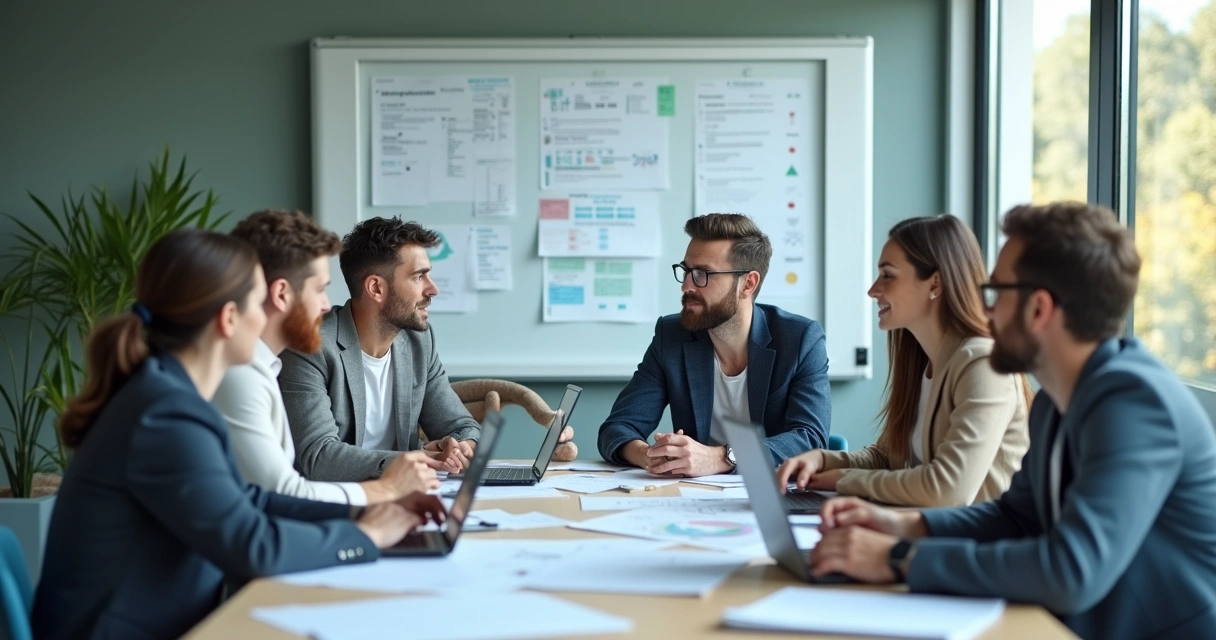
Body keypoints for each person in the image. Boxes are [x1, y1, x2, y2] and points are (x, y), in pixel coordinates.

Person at [806, 203, 1216, 640]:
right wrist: (903, 525)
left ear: (1039, 309)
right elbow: (1016, 517)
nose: (986, 312)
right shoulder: (1056, 400)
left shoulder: (1133, 402)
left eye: (996, 293)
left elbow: (1071, 571)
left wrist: (898, 558)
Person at [32, 230, 442, 640]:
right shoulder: (165, 414)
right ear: (229, 319)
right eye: (257, 303)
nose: (266, 319)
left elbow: (251, 501)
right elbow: (254, 545)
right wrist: (366, 535)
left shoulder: (170, 395)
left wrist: (363, 513)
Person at [281, 217, 573, 481]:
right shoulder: (310, 347)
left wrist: (460, 447)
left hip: (407, 496)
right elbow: (318, 457)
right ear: (376, 288)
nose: (433, 289)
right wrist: (415, 460)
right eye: (419, 277)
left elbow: (461, 425)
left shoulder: (418, 342)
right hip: (337, 504)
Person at [777, 215, 1030, 506]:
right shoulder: (922, 362)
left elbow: (948, 489)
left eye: (887, 275)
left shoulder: (983, 364)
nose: (873, 290)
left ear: (935, 282)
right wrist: (822, 460)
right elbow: (886, 458)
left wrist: (843, 479)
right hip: (928, 527)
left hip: (978, 535)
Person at [213, 210, 440, 506]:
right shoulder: (240, 374)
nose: (325, 306)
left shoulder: (263, 366)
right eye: (320, 290)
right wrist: (387, 491)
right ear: (281, 294)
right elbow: (283, 492)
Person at [597, 213, 831, 477]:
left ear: (748, 284)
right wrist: (650, 455)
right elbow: (617, 428)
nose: (687, 286)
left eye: (703, 274)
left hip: (769, 491)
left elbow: (811, 438)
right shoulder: (672, 335)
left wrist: (721, 457)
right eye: (686, 271)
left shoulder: (800, 339)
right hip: (691, 493)